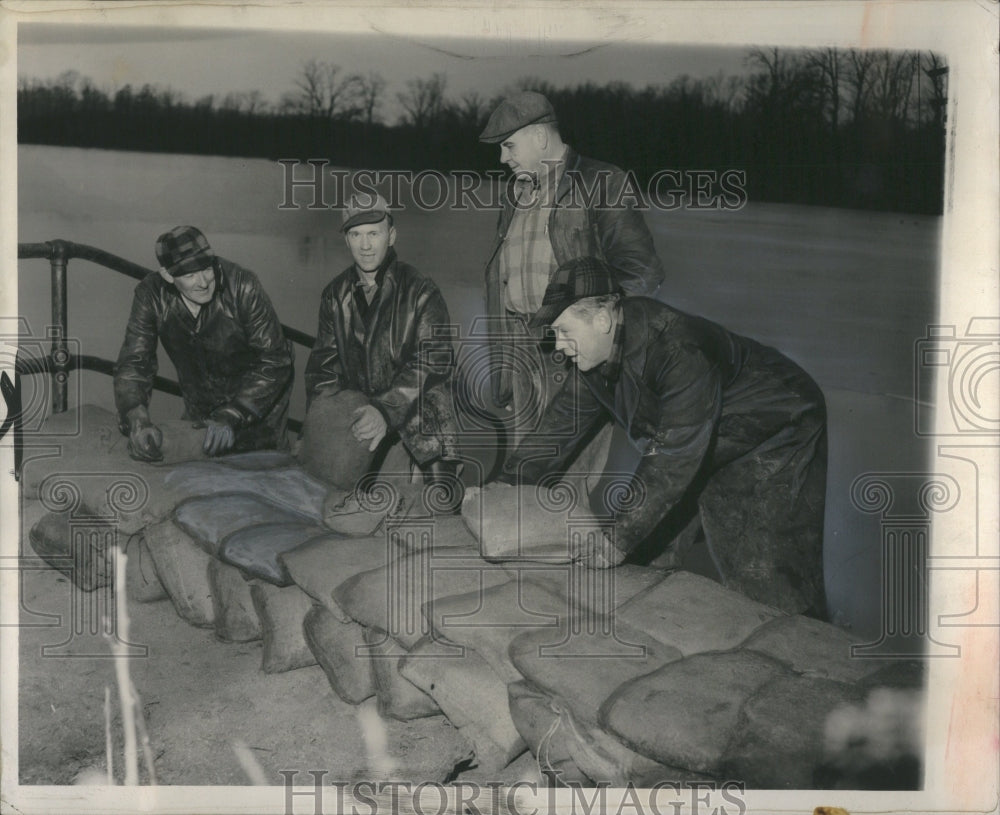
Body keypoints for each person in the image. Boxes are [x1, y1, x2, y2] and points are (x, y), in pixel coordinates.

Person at [500, 256, 828, 618]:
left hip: (777, 427)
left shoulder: (677, 349)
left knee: (767, 578)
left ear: (602, 319)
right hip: (700, 435)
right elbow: (557, 429)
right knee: (646, 550)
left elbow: (673, 456)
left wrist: (616, 538)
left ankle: (810, 657)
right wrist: (501, 488)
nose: (557, 345)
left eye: (563, 331)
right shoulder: (593, 356)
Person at [479, 90, 665, 447]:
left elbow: (643, 271)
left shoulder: (601, 181)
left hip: (573, 358)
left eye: (509, 146)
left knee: (567, 483)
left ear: (539, 136)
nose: (503, 159)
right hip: (522, 351)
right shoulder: (515, 194)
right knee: (526, 477)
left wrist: (596, 330)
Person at [304, 192, 463, 505]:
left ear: (391, 236)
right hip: (362, 410)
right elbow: (323, 371)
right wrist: (315, 430)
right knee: (329, 501)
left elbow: (435, 360)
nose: (365, 246)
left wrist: (385, 409)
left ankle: (443, 492)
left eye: (373, 234)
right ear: (346, 240)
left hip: (416, 411)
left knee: (439, 508)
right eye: (356, 234)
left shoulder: (421, 289)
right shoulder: (335, 295)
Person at [114, 225, 294, 461]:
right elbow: (134, 363)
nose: (202, 282)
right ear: (168, 275)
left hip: (258, 404)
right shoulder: (150, 295)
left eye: (207, 269)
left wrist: (232, 414)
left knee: (265, 469)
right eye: (189, 275)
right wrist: (136, 416)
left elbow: (275, 360)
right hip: (199, 405)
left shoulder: (243, 285)